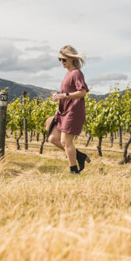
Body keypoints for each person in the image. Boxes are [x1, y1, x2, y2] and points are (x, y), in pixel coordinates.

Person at [48, 45, 90, 174]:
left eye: (64, 59)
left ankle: (74, 171)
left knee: (65, 141)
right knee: (53, 138)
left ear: (71, 59)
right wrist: (59, 98)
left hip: (74, 110)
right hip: (64, 111)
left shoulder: (76, 73)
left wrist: (65, 95)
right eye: (59, 59)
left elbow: (82, 92)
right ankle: (80, 156)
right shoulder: (68, 74)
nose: (61, 62)